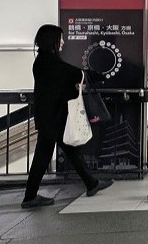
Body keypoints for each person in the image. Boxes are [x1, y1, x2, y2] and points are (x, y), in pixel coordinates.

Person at [22, 24, 114, 209]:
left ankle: (91, 183)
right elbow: (75, 74)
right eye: (60, 38)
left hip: (51, 117)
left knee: (70, 150)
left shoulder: (42, 61)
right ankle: (29, 197)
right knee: (43, 156)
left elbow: (58, 85)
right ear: (52, 41)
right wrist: (99, 76)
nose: (63, 42)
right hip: (52, 118)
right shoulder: (49, 62)